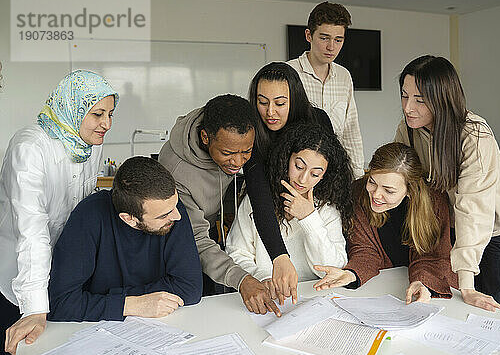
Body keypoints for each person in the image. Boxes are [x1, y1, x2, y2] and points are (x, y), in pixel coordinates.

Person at [0, 70, 117, 355]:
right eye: (97, 114)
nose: (106, 123)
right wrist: (35, 306)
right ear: (73, 108)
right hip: (18, 273)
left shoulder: (88, 143)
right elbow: (32, 231)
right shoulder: (30, 148)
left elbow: (83, 208)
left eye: (110, 114)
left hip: (60, 269)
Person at [394, 55, 500, 314]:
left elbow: (474, 208)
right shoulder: (408, 129)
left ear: (442, 99)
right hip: (458, 225)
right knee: (458, 301)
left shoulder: (473, 134)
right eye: (404, 96)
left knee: (493, 304)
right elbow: (400, 173)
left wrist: (467, 284)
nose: (408, 107)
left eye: (419, 100)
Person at [159, 94, 295, 316]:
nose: (239, 162)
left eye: (246, 152)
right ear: (205, 137)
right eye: (228, 153)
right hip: (183, 242)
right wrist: (242, 280)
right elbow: (198, 241)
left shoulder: (236, 129)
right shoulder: (177, 171)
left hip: (218, 229)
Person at [47, 157, 202, 322]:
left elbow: (190, 288)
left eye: (175, 206)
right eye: (164, 215)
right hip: (96, 330)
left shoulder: (170, 209)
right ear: (129, 219)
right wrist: (130, 305)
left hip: (160, 323)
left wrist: (105, 300)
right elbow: (60, 303)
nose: (177, 217)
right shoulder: (88, 216)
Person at [313, 143, 458, 302]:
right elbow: (364, 249)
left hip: (428, 289)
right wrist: (352, 274)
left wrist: (421, 282)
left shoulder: (434, 201)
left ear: (410, 189)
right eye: (372, 182)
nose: (376, 195)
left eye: (388, 190)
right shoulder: (358, 193)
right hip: (382, 287)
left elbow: (435, 256)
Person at [226, 123, 353, 288]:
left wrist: (309, 218)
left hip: (313, 298)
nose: (303, 179)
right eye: (299, 167)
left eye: (315, 174)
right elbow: (236, 253)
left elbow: (331, 270)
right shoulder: (258, 202)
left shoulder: (327, 209)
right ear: (286, 159)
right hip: (265, 294)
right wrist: (264, 279)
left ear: (324, 176)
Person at [287, 1, 365, 178]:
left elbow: (350, 130)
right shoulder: (289, 73)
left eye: (338, 40)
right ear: (309, 35)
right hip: (296, 170)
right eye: (324, 38)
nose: (331, 47)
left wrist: (357, 177)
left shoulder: (344, 76)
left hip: (332, 172)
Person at [248, 62, 334, 156]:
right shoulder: (251, 129)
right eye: (263, 102)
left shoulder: (318, 119)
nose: (270, 112)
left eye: (280, 103)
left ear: (295, 100)